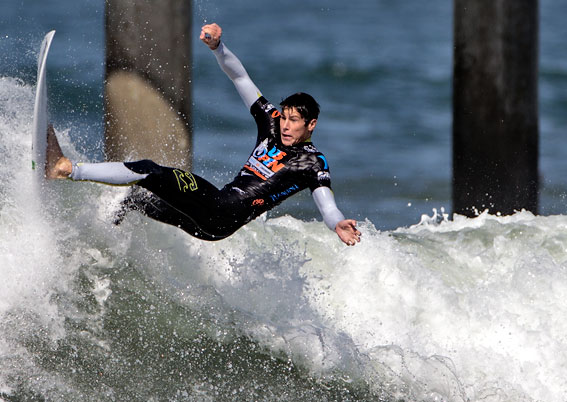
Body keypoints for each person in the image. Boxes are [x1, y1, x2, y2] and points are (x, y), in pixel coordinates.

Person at [46, 23, 361, 246]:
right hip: (209, 225)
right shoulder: (271, 121)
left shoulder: (313, 164)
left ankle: (68, 169)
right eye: (286, 118)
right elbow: (240, 77)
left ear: (311, 125)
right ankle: (106, 234)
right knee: (138, 198)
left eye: (295, 121)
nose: (286, 125)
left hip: (223, 212)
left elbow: (327, 205)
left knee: (148, 170)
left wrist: (337, 224)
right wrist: (218, 47)